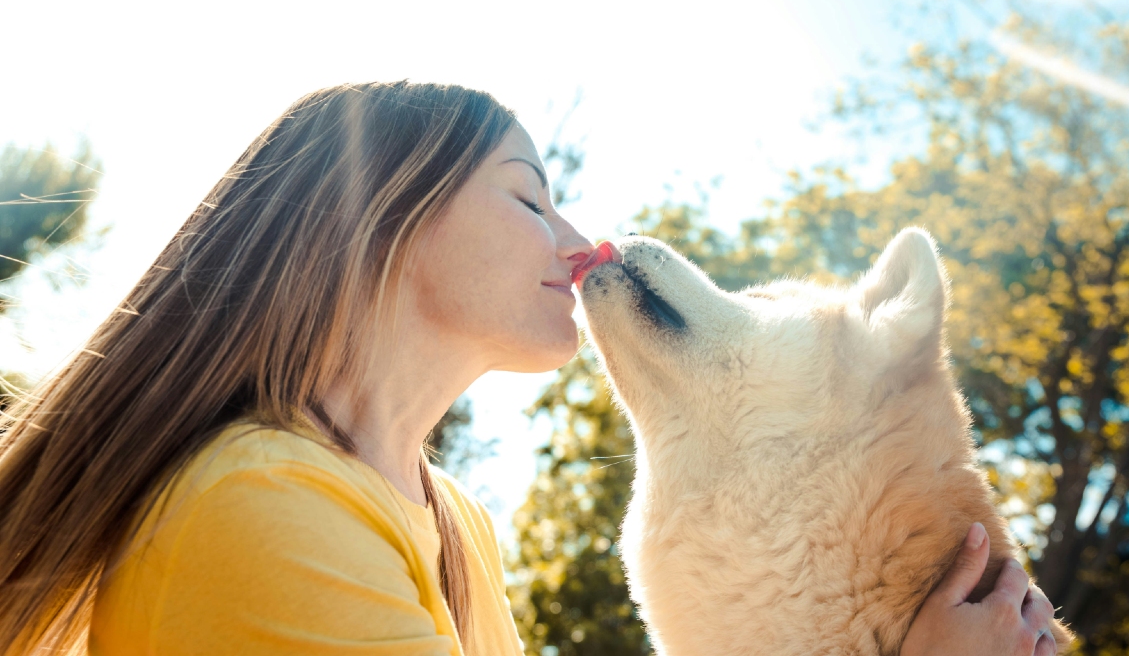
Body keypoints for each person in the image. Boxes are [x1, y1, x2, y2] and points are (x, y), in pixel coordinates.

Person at [0, 82, 1058, 656]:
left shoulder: (450, 522)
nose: (576, 238)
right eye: (528, 197)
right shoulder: (259, 507)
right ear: (376, 220)